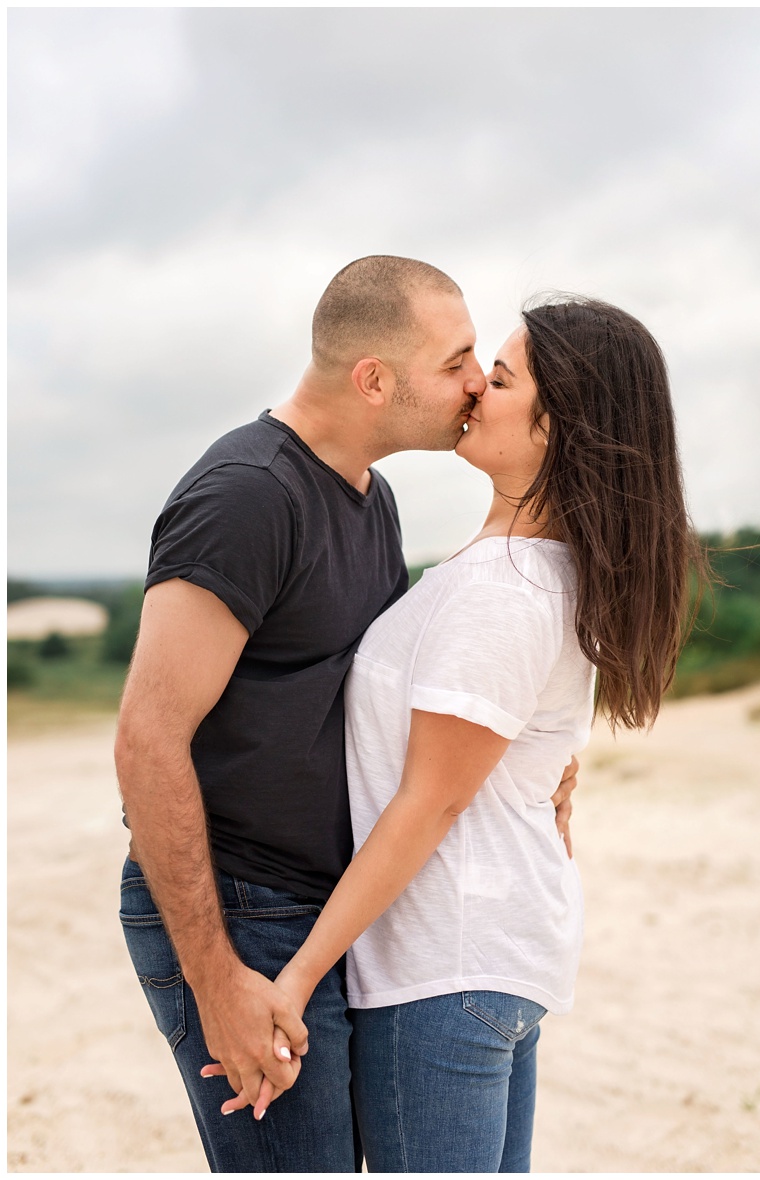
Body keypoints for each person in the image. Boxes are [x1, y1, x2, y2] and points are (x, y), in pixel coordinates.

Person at [199, 296, 703, 1171]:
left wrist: (299, 976)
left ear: (559, 428)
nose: (474, 388)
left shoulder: (502, 590)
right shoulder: (524, 574)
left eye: (501, 378)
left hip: (445, 964)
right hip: (484, 956)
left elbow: (427, 803)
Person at [116, 256, 575, 1171]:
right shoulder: (246, 495)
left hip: (331, 913)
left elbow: (389, 690)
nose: (476, 379)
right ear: (374, 379)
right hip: (242, 910)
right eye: (456, 360)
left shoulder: (373, 499)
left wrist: (536, 753)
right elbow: (146, 738)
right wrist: (217, 978)